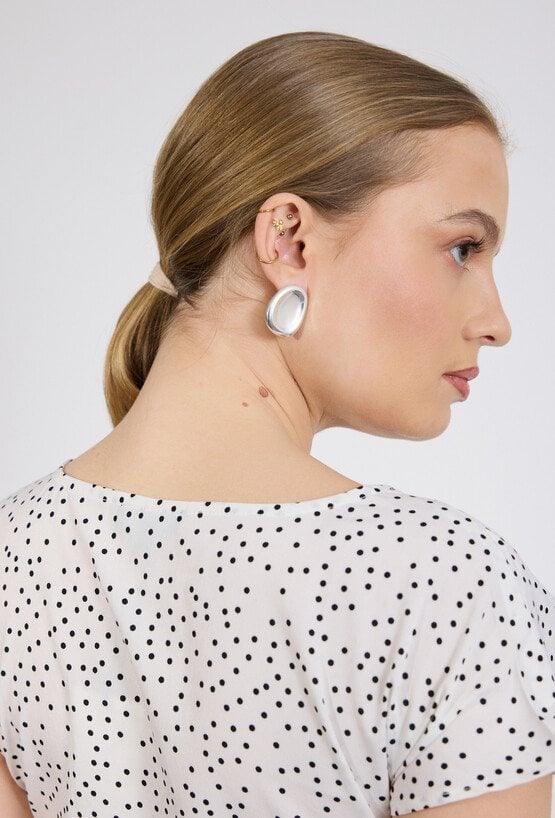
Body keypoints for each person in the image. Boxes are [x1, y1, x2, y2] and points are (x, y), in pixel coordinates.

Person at [1, 30, 553, 818]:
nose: (496, 323)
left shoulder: (15, 556)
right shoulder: (439, 582)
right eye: (463, 247)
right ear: (288, 240)